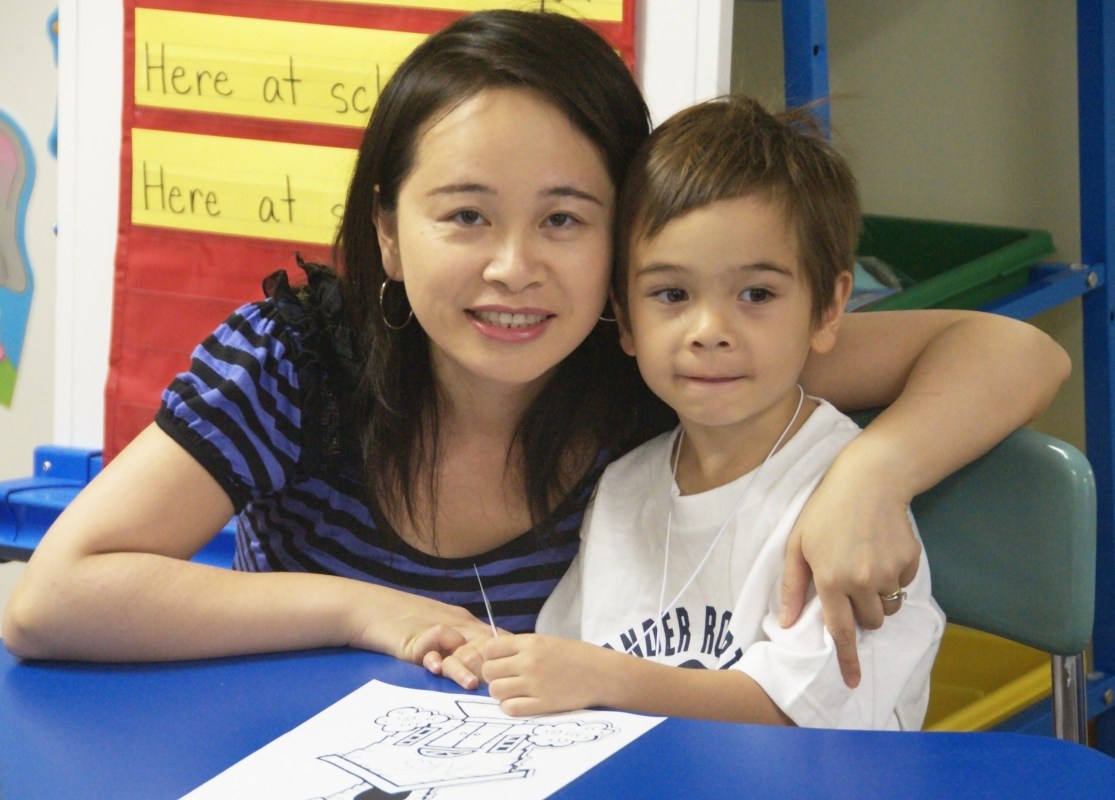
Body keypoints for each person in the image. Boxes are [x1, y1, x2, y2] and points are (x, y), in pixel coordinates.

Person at [3, 12, 1066, 688]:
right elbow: (53, 596)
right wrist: (366, 607)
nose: (513, 267)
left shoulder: (659, 361)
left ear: (625, 241)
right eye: (464, 217)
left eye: (564, 219)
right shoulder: (295, 359)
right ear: (386, 230)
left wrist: (872, 472)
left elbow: (1007, 352)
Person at [432, 96, 945, 729]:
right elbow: (569, 664)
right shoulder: (625, 486)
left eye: (756, 294)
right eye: (671, 294)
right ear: (624, 315)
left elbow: (798, 718)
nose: (709, 330)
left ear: (829, 308)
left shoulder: (843, 505)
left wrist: (601, 679)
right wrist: (499, 658)